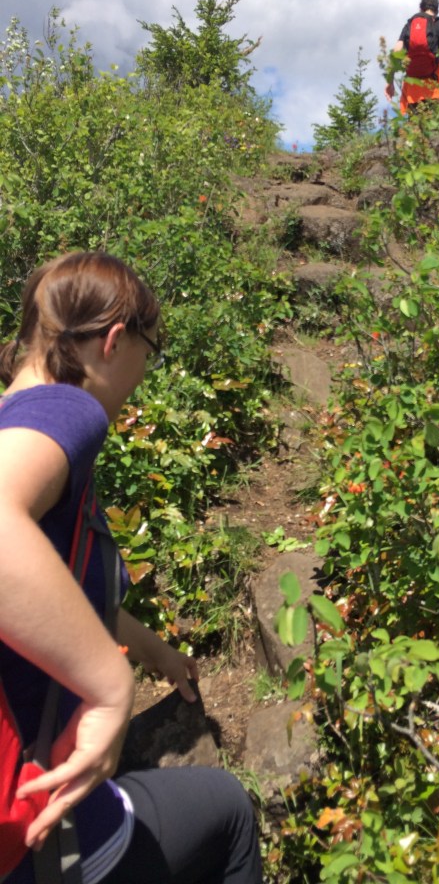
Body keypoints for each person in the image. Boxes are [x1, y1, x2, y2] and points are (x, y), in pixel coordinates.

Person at [0, 251, 263, 884]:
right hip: (42, 829)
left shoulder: (11, 416)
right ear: (117, 340)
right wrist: (109, 688)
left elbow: (53, 593)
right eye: (152, 348)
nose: (146, 369)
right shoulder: (67, 408)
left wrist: (155, 654)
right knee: (229, 811)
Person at [384, 0, 439, 115]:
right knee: (437, 130)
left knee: (416, 130)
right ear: (437, 10)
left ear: (420, 8)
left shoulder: (410, 26)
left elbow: (396, 51)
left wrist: (390, 81)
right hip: (435, 89)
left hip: (412, 92)